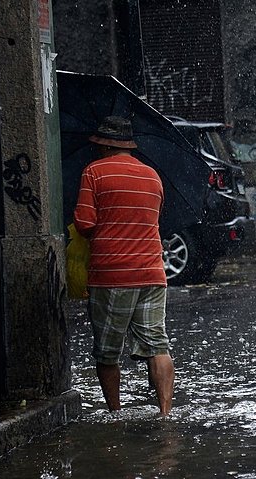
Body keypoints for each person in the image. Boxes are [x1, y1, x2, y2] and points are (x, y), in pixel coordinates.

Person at [73, 116, 175, 416]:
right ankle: (165, 413)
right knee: (157, 344)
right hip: (152, 272)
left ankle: (115, 414)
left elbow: (84, 223)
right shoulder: (152, 176)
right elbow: (153, 218)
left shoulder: (94, 172)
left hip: (112, 274)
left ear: (104, 145)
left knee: (108, 352)